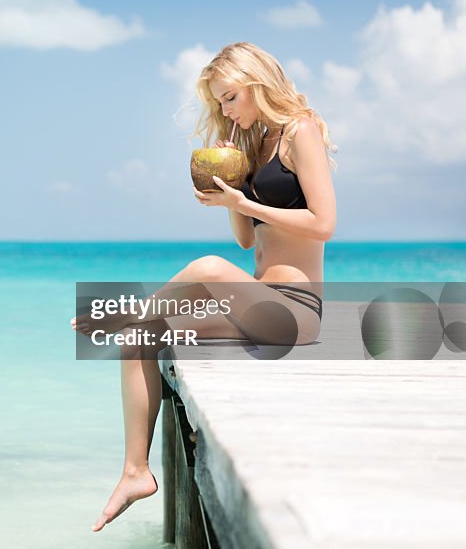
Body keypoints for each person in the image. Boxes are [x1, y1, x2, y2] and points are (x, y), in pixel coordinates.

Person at [71, 41, 337, 532]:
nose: (226, 110)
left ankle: (125, 310)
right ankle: (135, 472)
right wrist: (228, 194)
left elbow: (324, 223)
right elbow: (244, 241)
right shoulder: (255, 146)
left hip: (296, 313)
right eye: (220, 103)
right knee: (145, 335)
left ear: (257, 83)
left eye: (230, 97)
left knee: (207, 268)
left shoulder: (301, 131)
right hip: (258, 306)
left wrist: (250, 202)